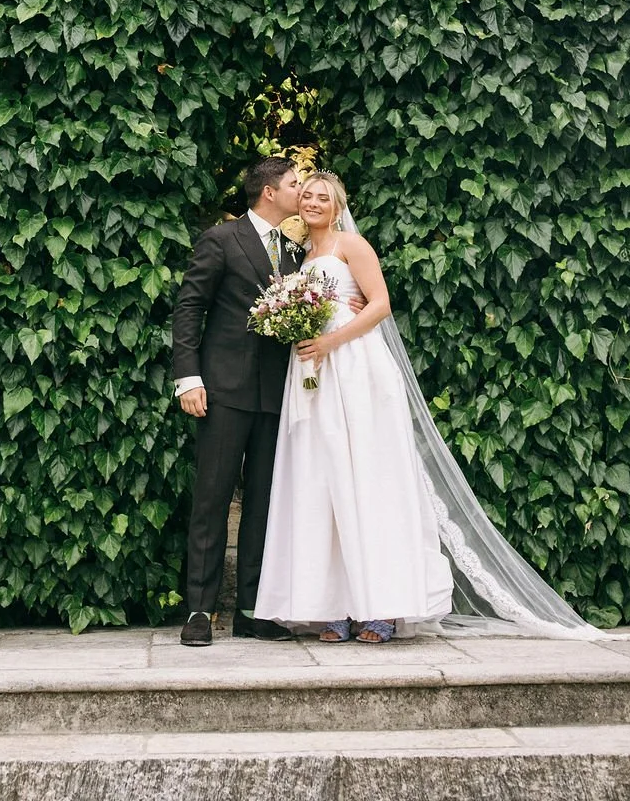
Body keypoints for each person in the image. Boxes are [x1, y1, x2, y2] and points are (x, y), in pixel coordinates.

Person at [255, 171, 606, 643]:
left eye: (324, 197)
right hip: (315, 377)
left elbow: (380, 305)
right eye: (308, 196)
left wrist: (330, 341)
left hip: (355, 368)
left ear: (337, 206)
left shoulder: (351, 245)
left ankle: (380, 607)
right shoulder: (301, 257)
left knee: (369, 481)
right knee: (324, 481)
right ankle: (334, 604)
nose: (313, 203)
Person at [172, 157, 305, 647]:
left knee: (264, 504)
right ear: (269, 191)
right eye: (293, 183)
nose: (300, 191)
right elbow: (190, 307)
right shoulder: (221, 239)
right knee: (211, 500)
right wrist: (188, 378)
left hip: (277, 394)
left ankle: (252, 609)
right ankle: (199, 610)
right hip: (223, 390)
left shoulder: (296, 253)